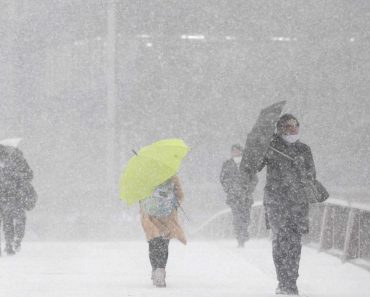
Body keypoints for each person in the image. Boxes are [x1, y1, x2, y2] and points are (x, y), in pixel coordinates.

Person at [258, 114, 316, 295]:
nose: (293, 129)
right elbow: (254, 167)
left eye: (296, 125)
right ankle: (282, 280)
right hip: (276, 202)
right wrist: (262, 147)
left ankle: (292, 281)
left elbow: (312, 175)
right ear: (280, 128)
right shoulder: (271, 147)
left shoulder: (304, 149)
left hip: (298, 203)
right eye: (289, 126)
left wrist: (301, 168)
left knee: (295, 242)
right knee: (280, 241)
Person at [140, 175, 186, 287]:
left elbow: (139, 195)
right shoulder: (170, 173)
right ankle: (160, 269)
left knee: (153, 243)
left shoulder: (144, 175)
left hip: (150, 214)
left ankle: (155, 269)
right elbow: (180, 194)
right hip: (167, 214)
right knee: (164, 244)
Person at [220, 144, 258, 247]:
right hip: (234, 197)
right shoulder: (227, 164)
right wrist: (229, 189)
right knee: (236, 217)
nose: (235, 152)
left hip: (246, 196)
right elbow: (223, 179)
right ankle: (240, 238)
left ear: (241, 151)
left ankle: (244, 233)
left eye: (237, 150)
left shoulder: (248, 164)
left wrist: (249, 189)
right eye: (233, 151)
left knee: (246, 217)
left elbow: (254, 179)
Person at [0, 144, 34, 255]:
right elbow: (29, 175)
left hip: (10, 196)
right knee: (13, 221)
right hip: (12, 196)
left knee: (9, 222)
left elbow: (29, 175)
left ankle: (12, 244)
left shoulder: (17, 159)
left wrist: (14, 175)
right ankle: (13, 243)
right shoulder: (18, 159)